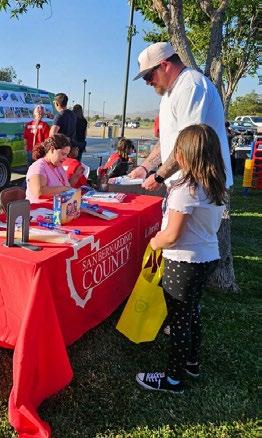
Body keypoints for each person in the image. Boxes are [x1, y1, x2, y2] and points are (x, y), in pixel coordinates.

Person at [136, 124, 227, 393]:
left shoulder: (186, 189)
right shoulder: (214, 183)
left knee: (179, 321)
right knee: (191, 312)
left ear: (184, 154)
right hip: (207, 257)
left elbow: (172, 235)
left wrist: (155, 242)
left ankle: (172, 378)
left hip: (184, 262)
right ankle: (191, 362)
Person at [129, 42, 233, 191]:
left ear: (165, 65)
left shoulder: (191, 86)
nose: (147, 82)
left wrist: (159, 176)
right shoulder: (170, 93)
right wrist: (145, 167)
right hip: (182, 184)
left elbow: (189, 144)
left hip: (201, 186)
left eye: (148, 76)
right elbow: (168, 139)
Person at [25, 134, 71, 204]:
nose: (65, 158)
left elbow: (68, 186)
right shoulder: (38, 166)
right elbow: (39, 192)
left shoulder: (59, 166)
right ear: (52, 150)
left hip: (56, 207)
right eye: (63, 154)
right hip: (39, 208)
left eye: (66, 154)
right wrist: (65, 189)